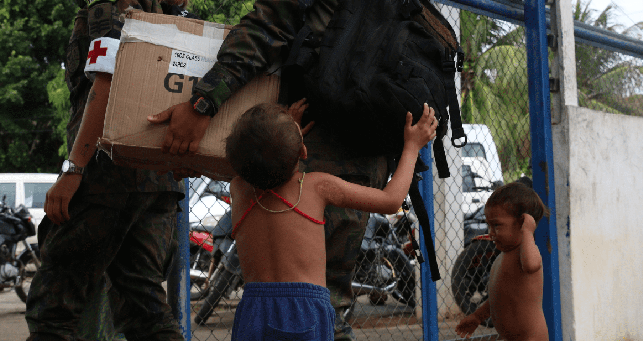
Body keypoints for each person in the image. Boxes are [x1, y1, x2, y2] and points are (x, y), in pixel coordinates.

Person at [147, 0, 387, 339]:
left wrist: (203, 102)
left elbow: (268, 26)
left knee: (319, 302)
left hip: (332, 146)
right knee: (324, 302)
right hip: (347, 143)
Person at [25, 0, 187, 341]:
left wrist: (74, 169)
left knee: (53, 309)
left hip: (107, 173)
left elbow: (106, 79)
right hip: (153, 178)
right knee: (144, 313)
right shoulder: (158, 0)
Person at [225, 99, 438, 341]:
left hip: (253, 310)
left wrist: (287, 137)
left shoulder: (238, 189)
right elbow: (390, 200)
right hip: (304, 311)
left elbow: (262, 159)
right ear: (303, 151)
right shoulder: (317, 186)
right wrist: (411, 147)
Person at [456, 182, 550, 341]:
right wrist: (478, 317)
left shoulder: (526, 254)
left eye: (497, 226)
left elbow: (531, 265)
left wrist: (527, 232)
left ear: (521, 223)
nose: (490, 232)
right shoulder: (502, 257)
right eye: (489, 225)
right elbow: (497, 298)